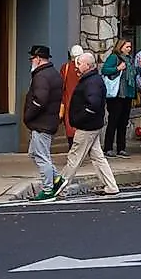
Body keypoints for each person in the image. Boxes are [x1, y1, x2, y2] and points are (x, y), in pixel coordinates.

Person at [58, 49, 119, 197]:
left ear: (87, 65)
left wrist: (79, 119)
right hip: (92, 125)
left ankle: (59, 188)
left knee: (74, 157)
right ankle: (111, 186)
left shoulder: (92, 82)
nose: (76, 66)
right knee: (97, 157)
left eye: (79, 63)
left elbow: (93, 105)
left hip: (87, 127)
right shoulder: (92, 79)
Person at [22, 44, 64, 198]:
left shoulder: (41, 76)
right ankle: (57, 179)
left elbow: (39, 100)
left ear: (38, 59)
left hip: (42, 123)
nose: (31, 61)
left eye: (32, 58)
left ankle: (48, 189)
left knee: (41, 157)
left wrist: (28, 116)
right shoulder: (52, 73)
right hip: (47, 121)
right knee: (34, 153)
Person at [102, 38, 136, 156]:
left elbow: (132, 74)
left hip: (127, 94)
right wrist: (117, 68)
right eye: (127, 47)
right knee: (113, 121)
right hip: (116, 95)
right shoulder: (114, 57)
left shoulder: (130, 59)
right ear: (120, 47)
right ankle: (108, 147)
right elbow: (104, 70)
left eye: (130, 47)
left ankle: (121, 148)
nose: (129, 49)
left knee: (123, 122)